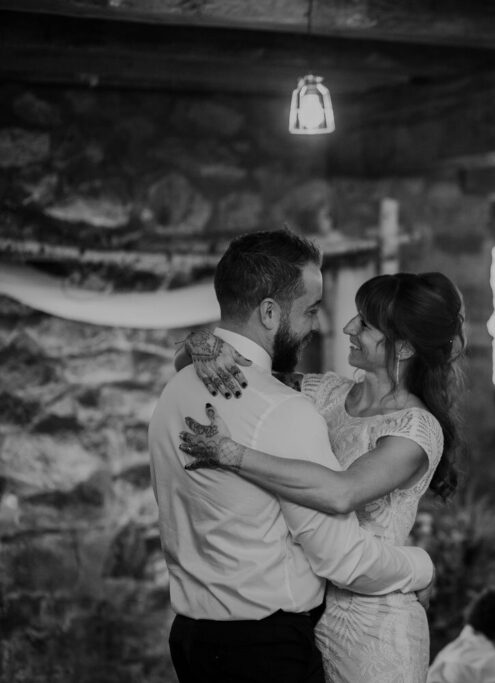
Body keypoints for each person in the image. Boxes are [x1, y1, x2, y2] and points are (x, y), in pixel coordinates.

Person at [148, 228, 435, 683]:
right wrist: (197, 344)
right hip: (270, 643)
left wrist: (231, 451)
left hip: (359, 628)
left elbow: (342, 492)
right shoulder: (307, 399)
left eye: (365, 322)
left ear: (403, 347)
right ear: (268, 312)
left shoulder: (176, 392)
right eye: (311, 310)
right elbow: (339, 554)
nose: (337, 327)